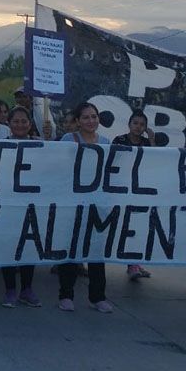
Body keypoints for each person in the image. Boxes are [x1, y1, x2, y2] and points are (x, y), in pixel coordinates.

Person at [57, 101, 113, 313]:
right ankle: (66, 295)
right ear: (78, 121)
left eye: (94, 117)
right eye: (86, 117)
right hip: (73, 203)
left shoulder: (106, 142)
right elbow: (59, 167)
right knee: (71, 250)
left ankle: (98, 296)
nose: (91, 121)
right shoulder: (67, 140)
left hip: (98, 205)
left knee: (96, 251)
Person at [1, 106, 42, 307]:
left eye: (24, 121)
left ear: (30, 124)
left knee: (29, 247)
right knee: (8, 248)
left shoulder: (42, 146)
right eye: (15, 121)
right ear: (9, 124)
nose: (20, 125)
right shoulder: (0, 145)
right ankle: (10, 289)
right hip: (8, 206)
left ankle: (27, 289)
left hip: (31, 205)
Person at [113, 110, 155, 281]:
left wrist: (152, 140)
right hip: (123, 189)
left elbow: (154, 161)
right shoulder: (119, 140)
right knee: (125, 225)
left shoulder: (146, 142)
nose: (138, 127)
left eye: (142, 124)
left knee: (139, 226)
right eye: (135, 123)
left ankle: (135, 263)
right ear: (129, 124)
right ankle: (131, 264)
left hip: (141, 190)